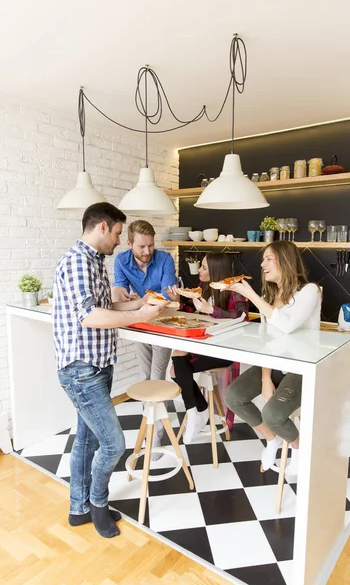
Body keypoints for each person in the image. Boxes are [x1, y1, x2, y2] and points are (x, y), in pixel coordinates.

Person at [53, 203, 165, 539]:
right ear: (103, 227)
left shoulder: (93, 262)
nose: (120, 241)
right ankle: (98, 505)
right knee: (114, 445)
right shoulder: (76, 262)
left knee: (87, 441)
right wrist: (142, 316)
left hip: (97, 365)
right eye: (118, 233)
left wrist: (138, 304)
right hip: (81, 371)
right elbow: (91, 317)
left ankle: (78, 509)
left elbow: (105, 306)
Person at [225, 240, 321, 478]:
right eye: (263, 259)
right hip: (277, 364)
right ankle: (272, 438)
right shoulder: (271, 294)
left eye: (269, 258)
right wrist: (266, 379)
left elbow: (287, 325)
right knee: (234, 396)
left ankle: (299, 448)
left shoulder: (310, 291)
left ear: (285, 261)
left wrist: (252, 295)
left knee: (273, 414)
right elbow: (267, 341)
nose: (262, 264)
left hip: (302, 367)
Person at [112, 220, 179, 456]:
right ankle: (150, 423)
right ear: (129, 244)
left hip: (163, 322)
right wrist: (132, 301)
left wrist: (138, 301)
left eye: (150, 245)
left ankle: (156, 436)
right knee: (144, 376)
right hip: (140, 323)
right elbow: (118, 297)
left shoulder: (165, 259)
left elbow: (166, 296)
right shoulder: (121, 260)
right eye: (141, 247)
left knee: (156, 377)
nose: (147, 251)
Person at [168, 253, 249, 444]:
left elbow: (243, 316)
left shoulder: (234, 288)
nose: (200, 271)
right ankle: (198, 410)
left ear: (215, 270)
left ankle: (196, 412)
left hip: (226, 349)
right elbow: (195, 311)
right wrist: (179, 300)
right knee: (175, 368)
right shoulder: (204, 287)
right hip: (205, 344)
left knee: (176, 367)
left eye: (203, 267)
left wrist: (213, 311)